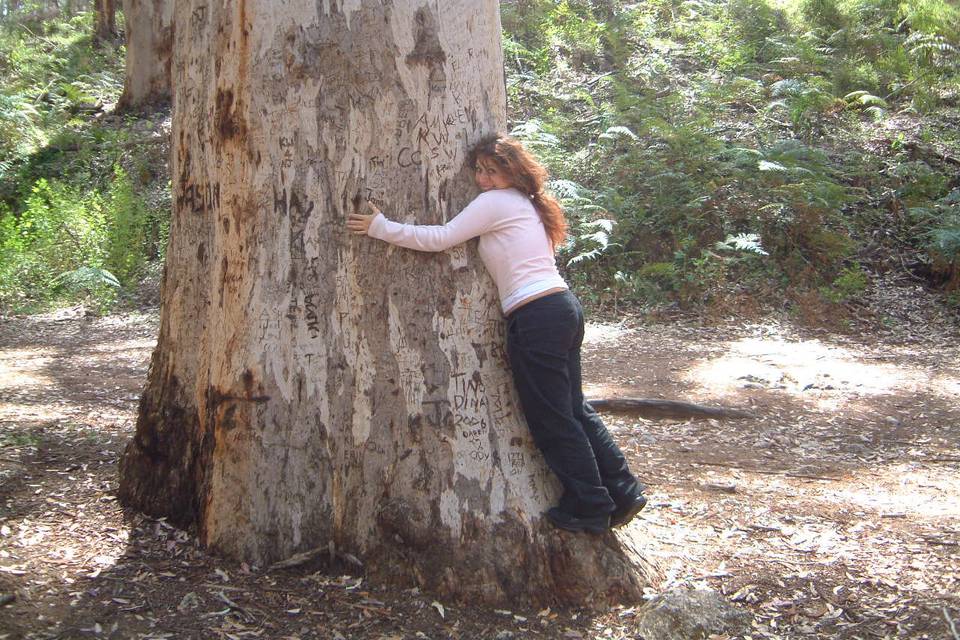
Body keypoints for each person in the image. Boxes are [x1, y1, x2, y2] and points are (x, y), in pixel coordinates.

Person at [346, 134, 646, 534]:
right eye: (479, 171)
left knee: (553, 417)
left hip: (537, 314)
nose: (484, 179)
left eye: (493, 170)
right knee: (574, 408)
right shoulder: (526, 204)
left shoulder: (496, 203)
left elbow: (440, 238)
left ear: (513, 170)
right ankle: (623, 491)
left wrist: (381, 227)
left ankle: (591, 503)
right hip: (560, 307)